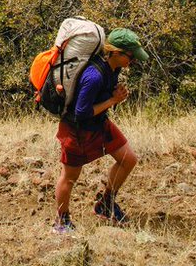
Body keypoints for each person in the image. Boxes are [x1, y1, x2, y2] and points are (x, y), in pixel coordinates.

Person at [53, 28, 147, 233]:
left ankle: (105, 204)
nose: (133, 61)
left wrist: (114, 96)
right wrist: (112, 100)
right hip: (77, 130)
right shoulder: (93, 76)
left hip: (98, 124)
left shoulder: (114, 69)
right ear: (116, 52)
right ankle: (61, 222)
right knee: (69, 177)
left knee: (128, 159)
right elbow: (81, 112)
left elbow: (98, 102)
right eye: (131, 56)